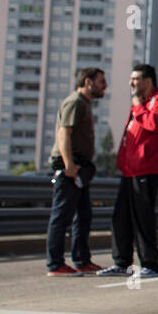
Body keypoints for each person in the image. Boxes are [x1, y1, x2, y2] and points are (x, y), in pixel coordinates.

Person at [98, 64, 158, 278]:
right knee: (120, 217)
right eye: (131, 79)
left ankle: (150, 263)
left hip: (146, 170)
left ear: (148, 81)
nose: (131, 83)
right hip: (129, 171)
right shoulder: (139, 104)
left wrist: (139, 108)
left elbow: (156, 124)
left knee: (143, 218)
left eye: (135, 79)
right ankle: (121, 262)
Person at [45, 68, 106, 276]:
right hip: (70, 166)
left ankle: (81, 260)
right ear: (88, 82)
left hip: (80, 167)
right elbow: (64, 133)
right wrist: (69, 165)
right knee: (62, 215)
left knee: (83, 216)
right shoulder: (75, 102)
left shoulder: (84, 104)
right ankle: (55, 264)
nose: (105, 86)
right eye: (101, 82)